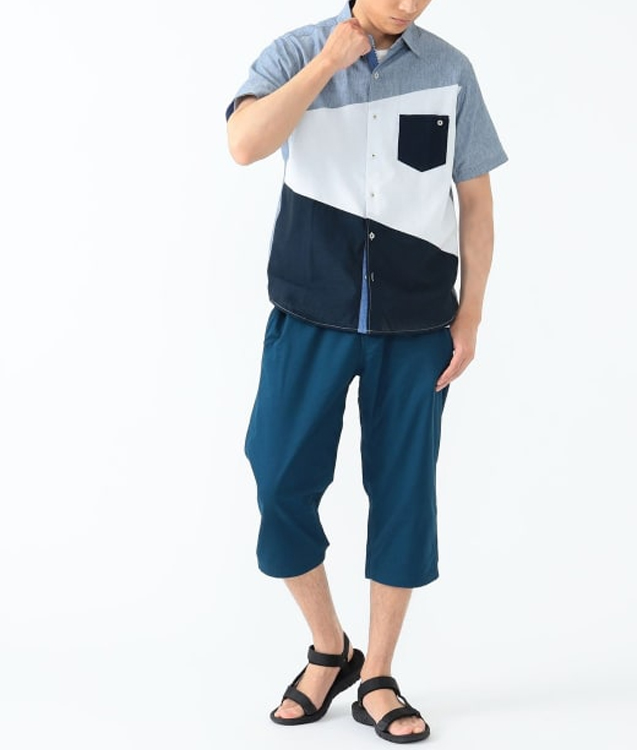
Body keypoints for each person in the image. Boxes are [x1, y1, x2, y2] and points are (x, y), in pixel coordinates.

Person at [225, 0, 508, 742]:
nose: (411, 2)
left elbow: (475, 200)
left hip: (416, 327)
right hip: (308, 314)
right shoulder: (296, 52)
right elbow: (244, 145)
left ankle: (378, 674)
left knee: (404, 494)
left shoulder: (450, 70)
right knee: (278, 477)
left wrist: (471, 315)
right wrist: (329, 63)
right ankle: (330, 648)